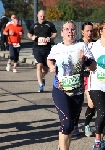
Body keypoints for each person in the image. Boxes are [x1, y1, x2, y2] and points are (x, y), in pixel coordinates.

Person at [47, 21, 96, 150]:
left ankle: (62, 146)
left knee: (71, 126)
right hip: (60, 89)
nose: (70, 31)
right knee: (66, 122)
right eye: (67, 29)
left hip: (77, 92)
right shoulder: (56, 48)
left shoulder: (82, 46)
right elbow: (49, 59)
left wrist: (84, 60)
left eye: (72, 29)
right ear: (62, 32)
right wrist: (51, 66)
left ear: (76, 31)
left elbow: (93, 66)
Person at [73, 22, 98, 136]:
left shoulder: (96, 44)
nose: (89, 33)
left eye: (91, 31)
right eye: (87, 31)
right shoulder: (77, 44)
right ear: (82, 31)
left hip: (90, 77)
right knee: (78, 103)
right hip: (78, 76)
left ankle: (87, 125)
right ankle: (75, 124)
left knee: (92, 103)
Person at [27, 10, 57, 92]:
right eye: (40, 16)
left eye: (43, 16)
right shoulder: (34, 25)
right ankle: (40, 85)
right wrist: (31, 37)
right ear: (37, 16)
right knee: (39, 65)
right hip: (37, 48)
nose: (42, 18)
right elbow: (29, 34)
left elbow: (55, 33)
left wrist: (50, 38)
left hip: (47, 49)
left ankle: (42, 77)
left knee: (46, 69)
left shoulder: (49, 24)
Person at [88, 21, 105, 150]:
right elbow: (86, 64)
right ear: (100, 31)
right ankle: (97, 140)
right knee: (102, 112)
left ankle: (102, 138)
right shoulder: (93, 46)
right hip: (96, 85)